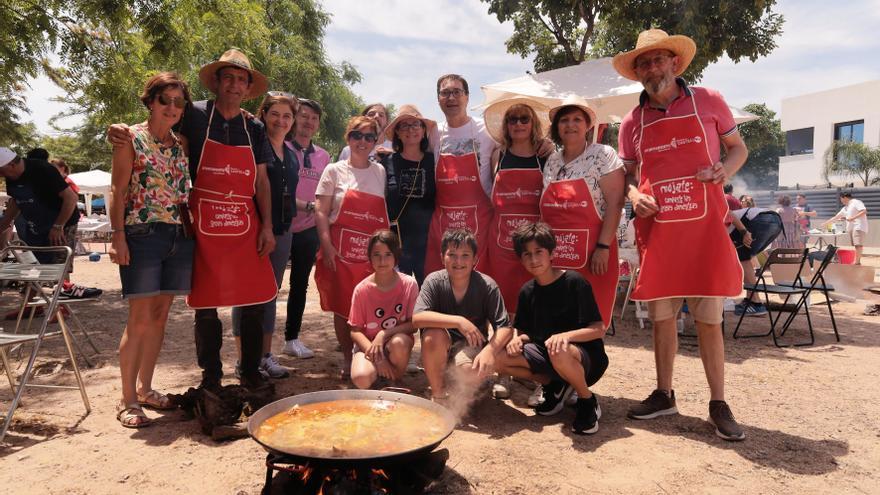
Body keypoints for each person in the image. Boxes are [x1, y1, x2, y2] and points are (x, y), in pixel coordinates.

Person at [108, 49, 277, 391]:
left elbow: (260, 180)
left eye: (241, 80)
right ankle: (211, 375)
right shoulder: (194, 114)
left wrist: (268, 226)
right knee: (205, 302)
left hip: (242, 221)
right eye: (227, 77)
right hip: (200, 223)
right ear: (216, 82)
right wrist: (118, 130)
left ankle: (249, 372)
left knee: (253, 299)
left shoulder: (253, 126)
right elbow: (153, 133)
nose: (234, 85)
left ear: (247, 88)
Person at [613, 29, 749, 441]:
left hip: (705, 229)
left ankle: (718, 403)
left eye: (659, 59)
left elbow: (738, 148)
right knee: (661, 319)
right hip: (659, 232)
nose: (652, 68)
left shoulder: (708, 100)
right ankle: (664, 393)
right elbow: (628, 175)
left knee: (709, 321)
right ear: (637, 73)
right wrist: (635, 197)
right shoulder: (632, 121)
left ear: (675, 62)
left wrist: (726, 170)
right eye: (644, 63)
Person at [107, 72, 195, 428]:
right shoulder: (130, 137)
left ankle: (145, 389)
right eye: (165, 100)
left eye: (178, 102)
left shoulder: (180, 144)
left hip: (177, 235)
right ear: (150, 101)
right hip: (142, 233)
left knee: (159, 318)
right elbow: (117, 188)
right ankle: (127, 400)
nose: (171, 107)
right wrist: (117, 235)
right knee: (139, 319)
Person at [493, 222, 608, 434]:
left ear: (552, 253)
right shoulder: (527, 291)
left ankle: (587, 400)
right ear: (521, 259)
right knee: (497, 358)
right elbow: (526, 331)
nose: (534, 259)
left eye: (539, 252)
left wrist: (564, 336)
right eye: (527, 254)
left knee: (558, 348)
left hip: (586, 359)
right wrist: (520, 339)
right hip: (549, 356)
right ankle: (556, 385)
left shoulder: (574, 281)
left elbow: (599, 328)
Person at [230, 92, 300, 379]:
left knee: (269, 293)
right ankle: (243, 358)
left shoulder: (292, 152)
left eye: (287, 115)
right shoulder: (253, 145)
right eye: (275, 114)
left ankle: (265, 356)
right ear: (264, 114)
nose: (281, 120)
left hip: (283, 230)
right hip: (255, 229)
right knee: (247, 294)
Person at [541, 95, 624, 330]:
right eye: (564, 120)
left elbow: (616, 203)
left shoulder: (603, 155)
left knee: (589, 319)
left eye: (577, 119)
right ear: (557, 126)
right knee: (556, 320)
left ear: (588, 125)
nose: (570, 124)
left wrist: (603, 247)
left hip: (592, 254)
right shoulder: (553, 161)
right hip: (557, 254)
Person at [314, 116, 389, 377]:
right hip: (340, 251)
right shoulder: (334, 170)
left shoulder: (379, 172)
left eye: (370, 137)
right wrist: (327, 246)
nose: (363, 141)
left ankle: (369, 355)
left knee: (370, 307)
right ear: (348, 138)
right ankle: (348, 357)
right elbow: (321, 211)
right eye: (358, 135)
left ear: (376, 141)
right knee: (342, 308)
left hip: (370, 255)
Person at [412, 228, 512, 402]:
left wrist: (489, 350)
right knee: (431, 336)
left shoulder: (487, 285)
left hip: (470, 347)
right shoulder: (433, 281)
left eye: (465, 255)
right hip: (441, 345)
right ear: (443, 257)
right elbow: (418, 318)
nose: (458, 261)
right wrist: (459, 322)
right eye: (452, 255)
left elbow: (504, 328)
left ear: (475, 259)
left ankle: (475, 381)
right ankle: (439, 395)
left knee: (469, 377)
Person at [423, 74, 498, 276]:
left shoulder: (488, 130)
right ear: (438, 99)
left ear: (467, 97)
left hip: (480, 223)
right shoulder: (433, 133)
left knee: (478, 288)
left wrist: (545, 144)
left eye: (457, 92)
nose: (451, 98)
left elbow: (518, 145)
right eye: (445, 93)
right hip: (443, 225)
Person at [483, 97, 549, 316]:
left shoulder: (546, 156)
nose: (518, 124)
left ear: (533, 124)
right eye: (512, 120)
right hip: (501, 242)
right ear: (506, 125)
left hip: (534, 243)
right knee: (504, 300)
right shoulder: (497, 155)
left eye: (524, 119)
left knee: (535, 300)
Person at [283, 98, 329, 359]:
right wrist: (310, 205)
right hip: (282, 226)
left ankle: (292, 339)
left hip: (308, 229)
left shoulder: (323, 156)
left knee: (300, 285)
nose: (308, 121)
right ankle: (261, 348)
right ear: (294, 118)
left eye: (314, 118)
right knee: (269, 286)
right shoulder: (282, 146)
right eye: (304, 116)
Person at [349, 229, 419, 389]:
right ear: (369, 257)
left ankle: (395, 378)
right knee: (361, 378)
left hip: (395, 343)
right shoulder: (362, 289)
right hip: (369, 346)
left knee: (399, 343)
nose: (382, 260)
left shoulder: (409, 284)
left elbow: (413, 325)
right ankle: (378, 373)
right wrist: (377, 358)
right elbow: (355, 331)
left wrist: (383, 333)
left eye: (388, 254)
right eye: (376, 255)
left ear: (396, 256)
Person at [384, 105, 437, 285]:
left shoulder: (434, 161)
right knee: (397, 293)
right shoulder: (387, 162)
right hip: (397, 241)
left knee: (428, 291)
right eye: (404, 126)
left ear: (423, 130)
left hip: (428, 240)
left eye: (415, 124)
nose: (410, 129)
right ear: (397, 133)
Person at [0, 149, 79, 265]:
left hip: (62, 223)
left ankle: (61, 283)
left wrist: (58, 226)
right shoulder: (11, 176)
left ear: (11, 165)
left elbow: (71, 198)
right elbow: (16, 201)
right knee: (36, 263)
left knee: (59, 264)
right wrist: (2, 226)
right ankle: (38, 283)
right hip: (36, 225)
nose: (0, 175)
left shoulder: (43, 169)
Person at [728, 207, 783, 317]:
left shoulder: (712, 216)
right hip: (776, 221)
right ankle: (751, 301)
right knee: (745, 257)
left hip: (760, 219)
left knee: (742, 257)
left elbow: (728, 212)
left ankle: (755, 303)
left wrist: (744, 232)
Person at [823, 191, 868, 264]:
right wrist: (826, 223)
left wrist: (853, 218)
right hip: (852, 228)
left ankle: (856, 262)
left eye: (841, 199)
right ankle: (857, 262)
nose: (841, 201)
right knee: (856, 245)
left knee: (858, 245)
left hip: (858, 226)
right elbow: (836, 217)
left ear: (844, 197)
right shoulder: (845, 208)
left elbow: (864, 211)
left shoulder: (855, 202)